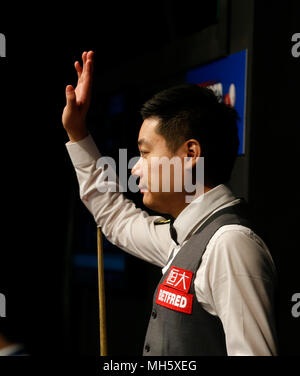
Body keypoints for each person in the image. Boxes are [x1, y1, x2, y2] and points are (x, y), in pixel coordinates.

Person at [62, 51, 278, 356]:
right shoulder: (183, 236)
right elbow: (115, 218)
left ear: (190, 155)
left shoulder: (230, 244)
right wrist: (78, 133)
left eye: (146, 153)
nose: (135, 167)